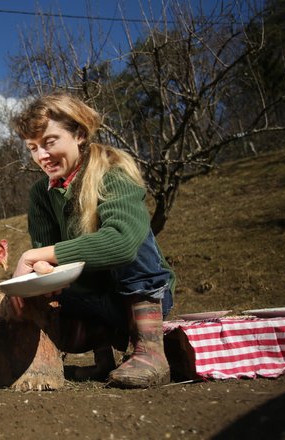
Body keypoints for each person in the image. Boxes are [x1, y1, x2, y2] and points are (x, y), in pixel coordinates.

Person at [9, 93, 175, 388]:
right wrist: (39, 276)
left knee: (127, 239)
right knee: (10, 304)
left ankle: (151, 352)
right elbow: (50, 263)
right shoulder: (40, 195)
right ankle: (102, 359)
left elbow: (123, 244)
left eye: (49, 142)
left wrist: (33, 255)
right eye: (33, 148)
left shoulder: (113, 172)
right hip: (89, 300)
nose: (41, 157)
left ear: (80, 135)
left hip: (138, 294)